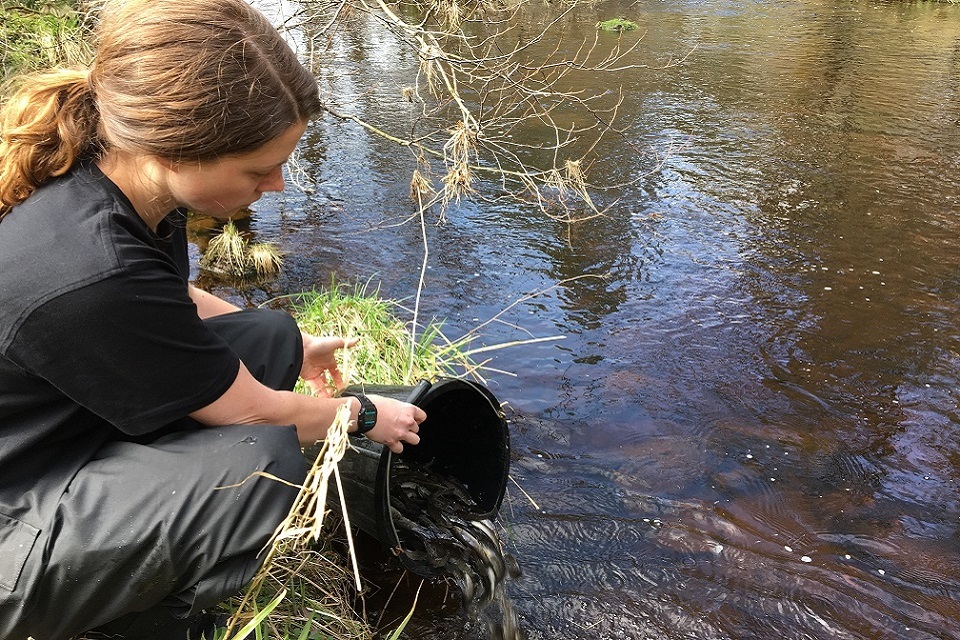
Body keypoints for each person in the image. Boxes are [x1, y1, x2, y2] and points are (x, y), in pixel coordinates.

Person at [0, 0, 426, 638]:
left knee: (266, 335)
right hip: (16, 510)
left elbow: (167, 296)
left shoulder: (122, 184)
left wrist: (294, 342)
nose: (279, 184)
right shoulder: (90, 267)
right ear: (178, 151)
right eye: (259, 170)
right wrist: (363, 414)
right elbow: (253, 414)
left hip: (51, 434)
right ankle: (133, 612)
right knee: (260, 458)